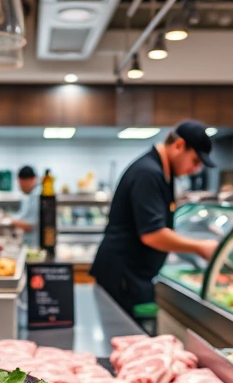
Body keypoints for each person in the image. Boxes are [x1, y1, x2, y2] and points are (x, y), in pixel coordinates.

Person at [90, 121, 218, 317]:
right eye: (195, 161)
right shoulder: (148, 173)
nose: (195, 169)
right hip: (123, 277)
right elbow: (152, 235)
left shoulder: (162, 172)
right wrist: (199, 247)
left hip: (132, 275)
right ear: (178, 146)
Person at [9, 165, 40, 247]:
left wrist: (11, 222)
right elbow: (23, 216)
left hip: (35, 245)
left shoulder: (37, 196)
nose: (20, 188)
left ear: (31, 180)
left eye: (21, 185)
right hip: (29, 244)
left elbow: (29, 226)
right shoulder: (29, 196)